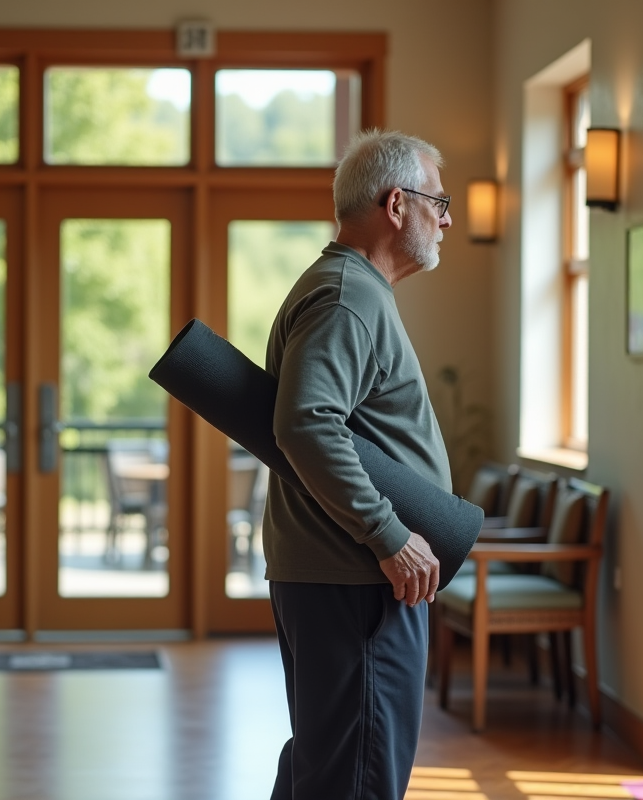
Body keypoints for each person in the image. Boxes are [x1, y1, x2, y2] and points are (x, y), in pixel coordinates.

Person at [264, 129, 453, 800]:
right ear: (397, 204)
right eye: (439, 202)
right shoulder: (348, 297)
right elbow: (306, 423)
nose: (447, 220)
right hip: (358, 575)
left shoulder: (352, 290)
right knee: (356, 778)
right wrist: (391, 537)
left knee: (330, 766)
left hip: (348, 576)